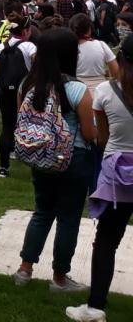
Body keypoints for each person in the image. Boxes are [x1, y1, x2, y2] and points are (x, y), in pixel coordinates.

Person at [13, 27, 97, 292]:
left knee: (42, 212)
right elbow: (89, 132)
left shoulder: (28, 85)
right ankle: (60, 278)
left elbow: (23, 122)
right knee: (69, 218)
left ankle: (24, 269)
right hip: (74, 159)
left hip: (41, 158)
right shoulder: (76, 89)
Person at [66, 34, 133, 322]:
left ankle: (95, 307)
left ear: (121, 59)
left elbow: (102, 139)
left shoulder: (105, 91)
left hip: (117, 171)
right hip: (118, 169)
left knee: (106, 240)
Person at [0, 12, 36, 178]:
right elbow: (37, 68)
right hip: (25, 92)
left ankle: (3, 166)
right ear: (25, 31)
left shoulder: (0, 47)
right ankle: (32, 161)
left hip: (5, 91)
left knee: (7, 127)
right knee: (30, 125)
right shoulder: (29, 47)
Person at [71, 13, 119, 94]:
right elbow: (116, 72)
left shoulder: (68, 48)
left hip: (77, 91)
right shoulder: (101, 45)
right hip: (101, 91)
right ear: (89, 29)